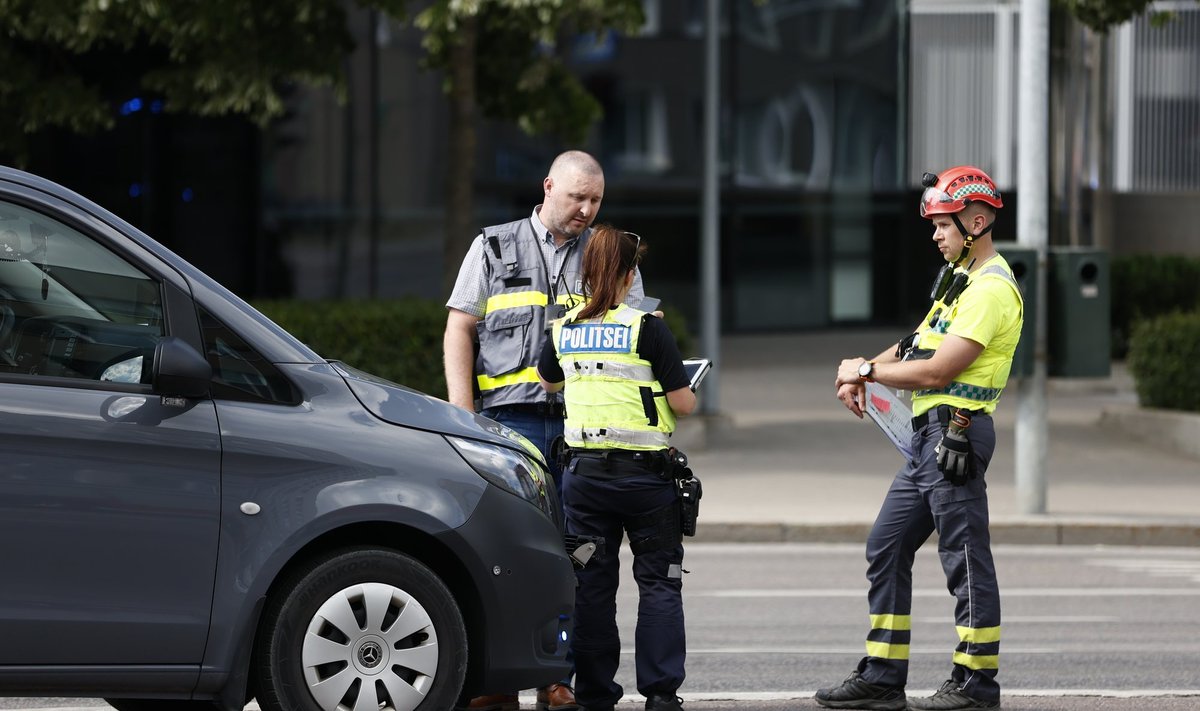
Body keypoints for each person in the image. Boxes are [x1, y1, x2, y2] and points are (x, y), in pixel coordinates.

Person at [443, 150, 645, 711]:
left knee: (577, 556)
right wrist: (463, 417)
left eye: (596, 200)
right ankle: (499, 681)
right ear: (548, 186)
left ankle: (557, 677)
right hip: (508, 426)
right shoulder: (494, 245)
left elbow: (638, 333)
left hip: (586, 428)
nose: (586, 209)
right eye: (577, 197)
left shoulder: (609, 254)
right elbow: (461, 328)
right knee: (504, 553)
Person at [816, 166, 1022, 711]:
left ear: (976, 222)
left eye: (943, 225)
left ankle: (976, 684)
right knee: (885, 543)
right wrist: (857, 370)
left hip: (958, 433)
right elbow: (914, 345)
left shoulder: (990, 288)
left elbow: (937, 370)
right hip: (927, 439)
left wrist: (865, 373)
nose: (935, 234)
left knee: (964, 555)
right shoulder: (957, 286)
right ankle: (884, 676)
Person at [537, 225, 696, 711]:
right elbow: (684, 404)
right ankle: (661, 696)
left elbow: (548, 382)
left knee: (589, 584)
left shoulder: (563, 328)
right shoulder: (648, 328)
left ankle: (594, 695)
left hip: (584, 483)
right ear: (630, 276)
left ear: (586, 272)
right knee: (660, 582)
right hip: (646, 484)